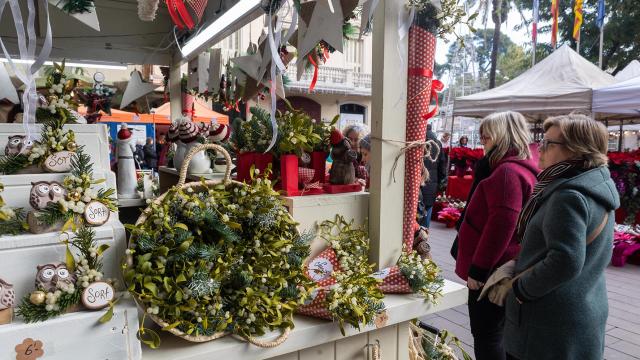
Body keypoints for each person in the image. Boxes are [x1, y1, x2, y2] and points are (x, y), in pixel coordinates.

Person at [504, 115, 619, 360]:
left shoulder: (568, 195)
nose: (539, 148)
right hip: (582, 309)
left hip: (549, 324)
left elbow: (566, 260)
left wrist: (521, 290)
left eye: (548, 143)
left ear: (577, 150)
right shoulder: (594, 185)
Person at [455, 111, 539, 360]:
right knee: (498, 334)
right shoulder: (522, 167)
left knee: (487, 334)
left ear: (502, 136)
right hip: (507, 262)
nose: (482, 142)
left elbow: (501, 225)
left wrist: (478, 271)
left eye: (486, 137)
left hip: (493, 270)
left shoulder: (507, 173)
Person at [420, 124, 448, 228]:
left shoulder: (418, 141)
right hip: (432, 184)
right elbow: (442, 166)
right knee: (427, 209)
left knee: (415, 211)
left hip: (418, 183)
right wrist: (441, 181)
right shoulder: (438, 143)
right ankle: (424, 236)